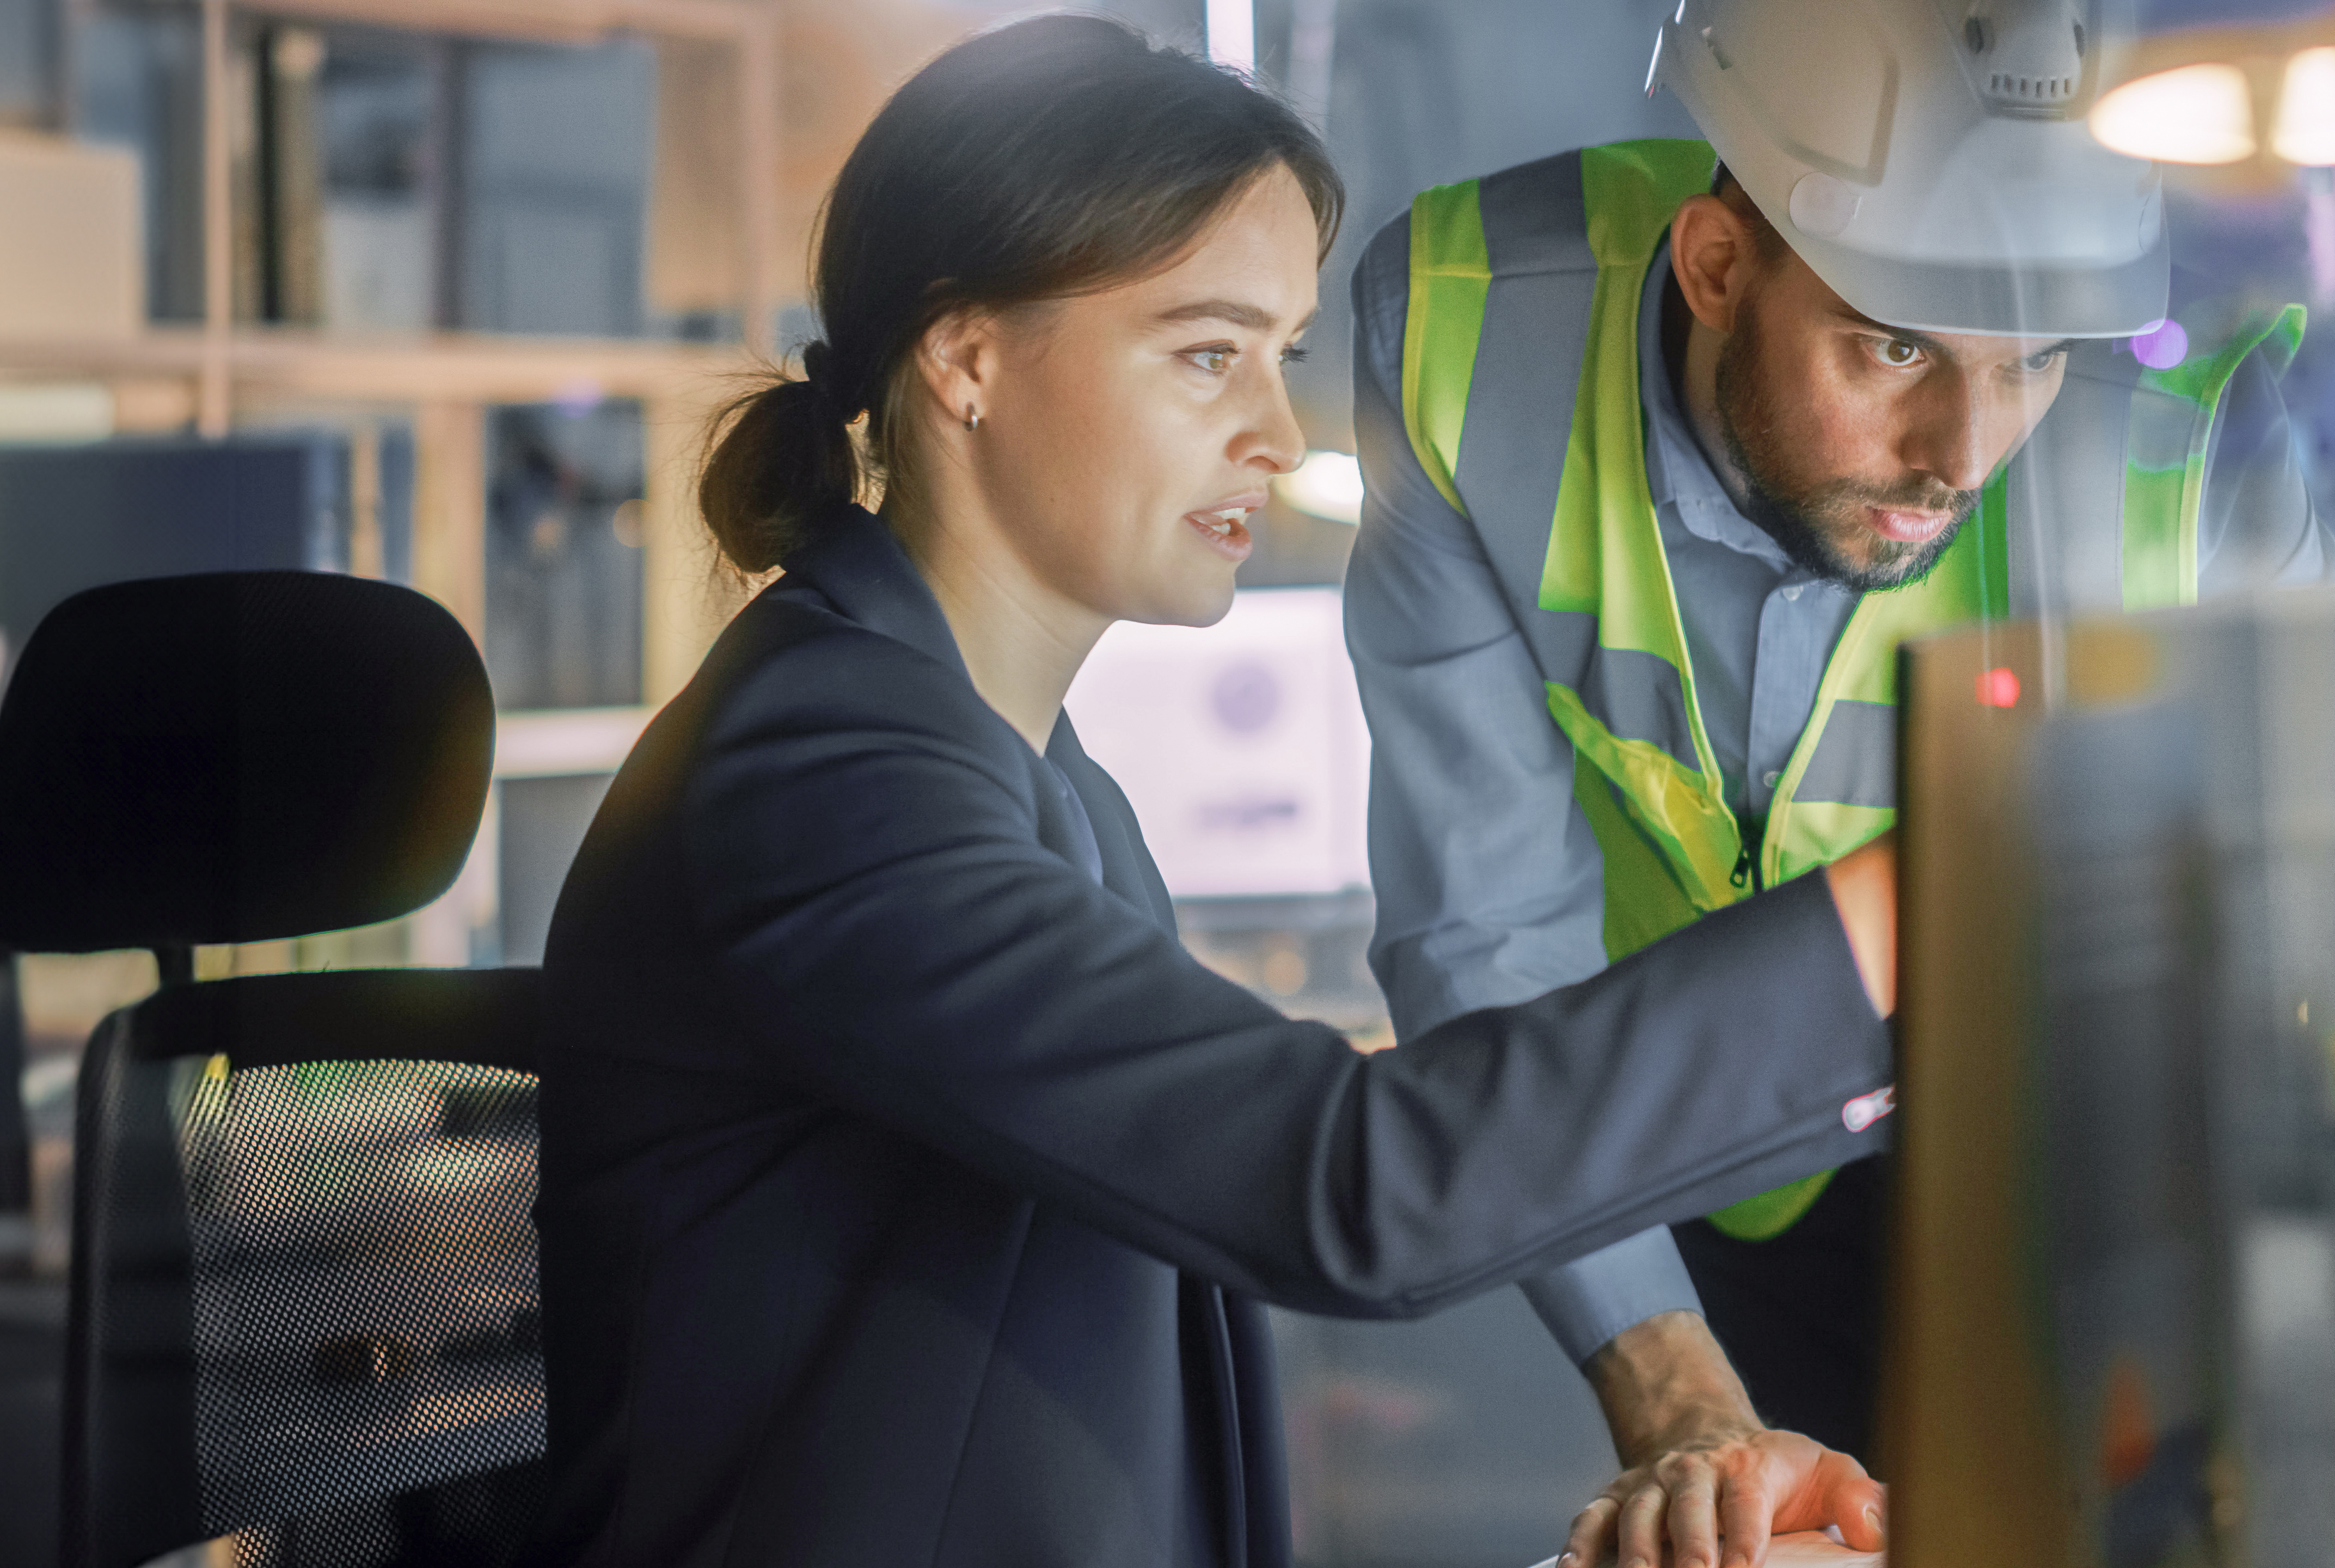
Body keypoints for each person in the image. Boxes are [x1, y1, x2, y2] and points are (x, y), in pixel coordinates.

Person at [529, 17, 1905, 1567]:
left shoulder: (1035, 777)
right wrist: (1886, 930)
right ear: (967, 359)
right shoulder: (824, 776)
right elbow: (1349, 1187)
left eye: (1283, 355)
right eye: (1205, 354)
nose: (1276, 434)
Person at [1344, 1, 2331, 1559]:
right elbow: (1484, 923)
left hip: (2065, 1152)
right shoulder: (1467, 331)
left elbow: (2311, 912)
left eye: (2032, 361)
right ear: (1714, 267)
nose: (1963, 452)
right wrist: (1679, 1399)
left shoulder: (2194, 410)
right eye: (1895, 346)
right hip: (1655, 1138)